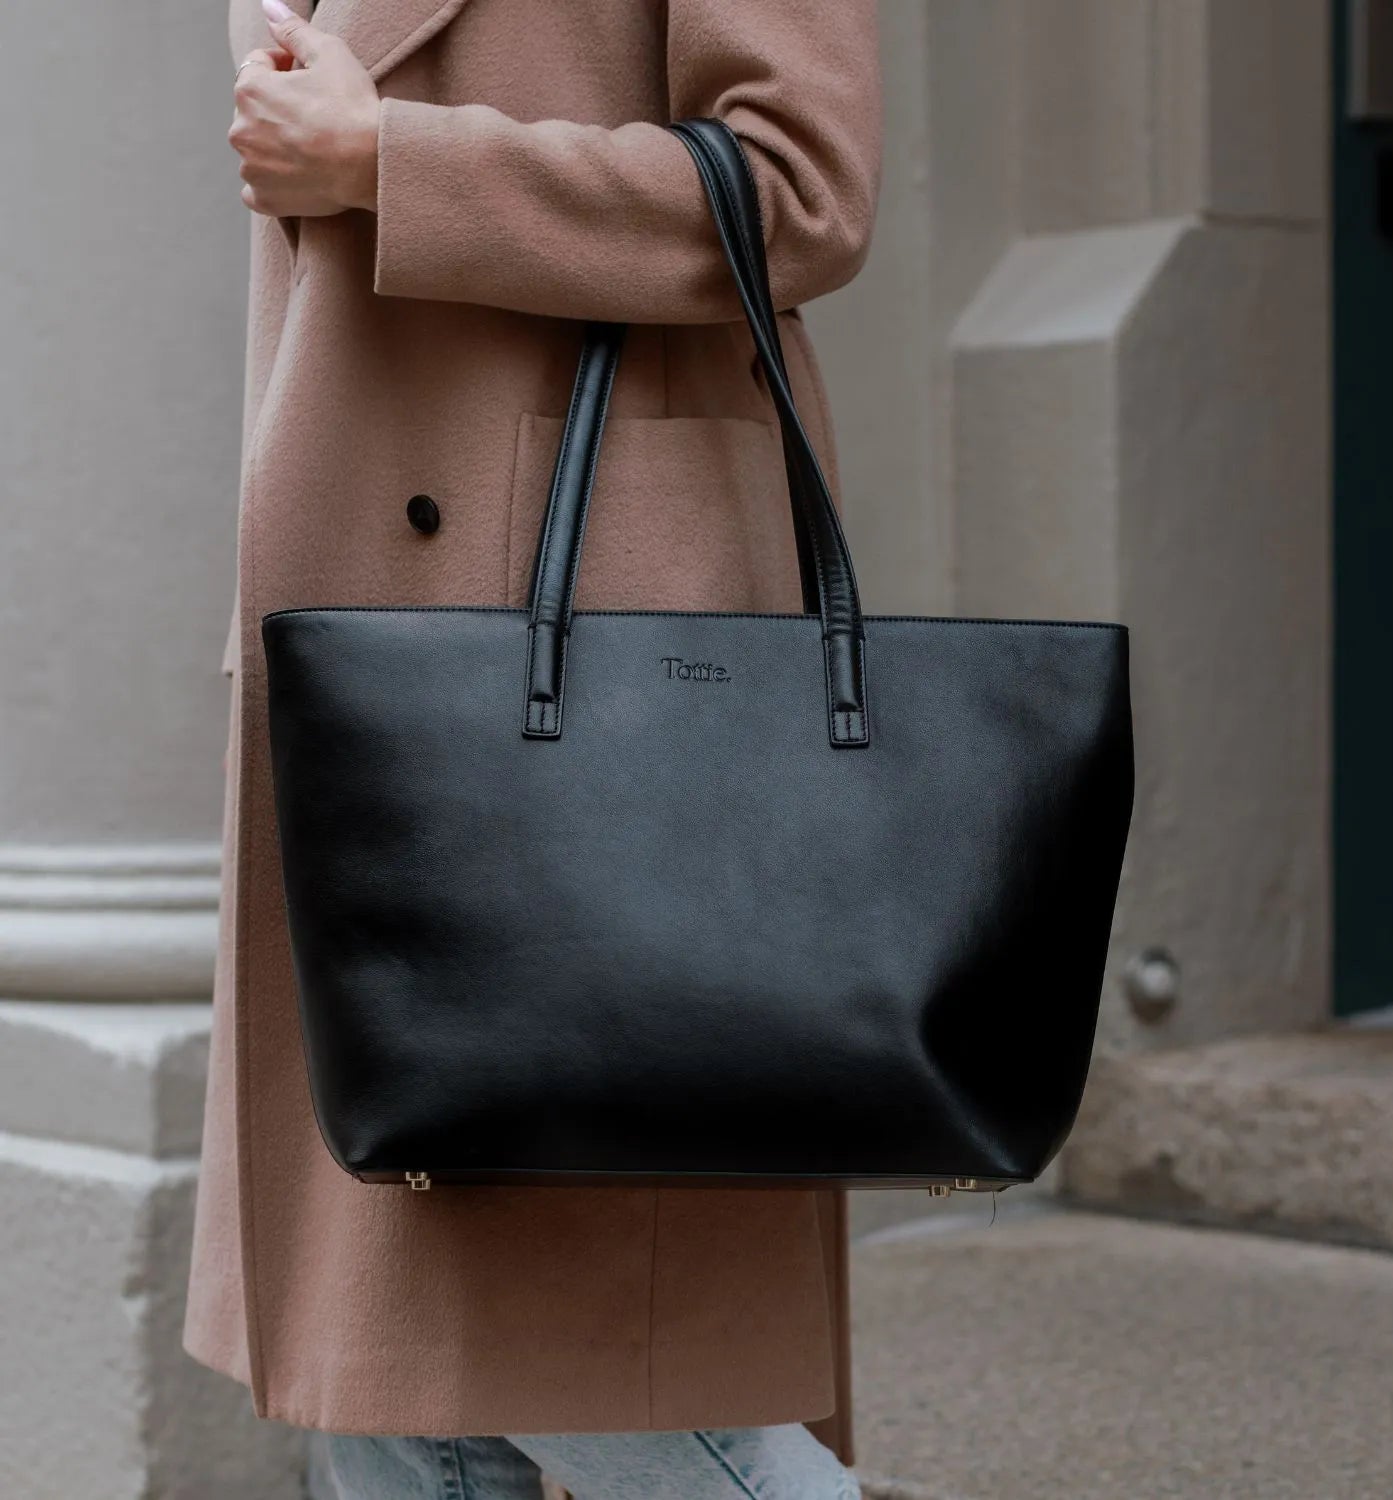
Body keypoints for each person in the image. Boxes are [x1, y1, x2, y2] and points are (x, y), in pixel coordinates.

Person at [188, 0, 882, 1496]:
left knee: (614, 1380)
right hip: (363, 643)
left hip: (587, 667)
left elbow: (801, 190)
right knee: (382, 1374)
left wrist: (396, 159)